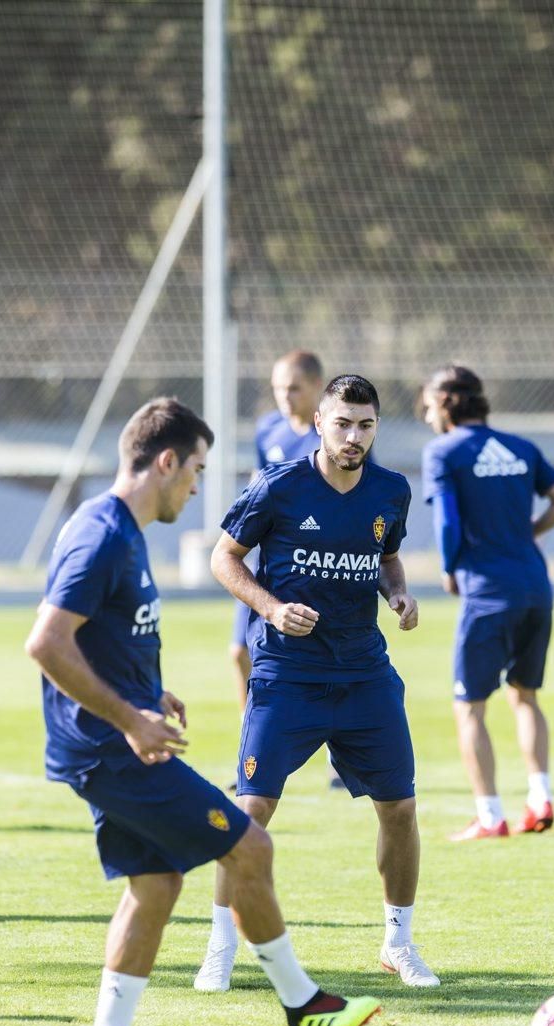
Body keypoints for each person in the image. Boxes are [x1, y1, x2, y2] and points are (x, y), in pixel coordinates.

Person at [24, 396, 381, 1026]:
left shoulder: (118, 529)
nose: (196, 485)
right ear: (164, 461)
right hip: (112, 749)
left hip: (108, 740)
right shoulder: (103, 533)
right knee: (249, 842)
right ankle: (304, 1004)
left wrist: (144, 690)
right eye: (194, 470)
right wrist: (130, 719)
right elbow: (46, 641)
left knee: (155, 883)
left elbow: (99, 631)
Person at [193, 374, 439, 993]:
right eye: (343, 425)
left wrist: (400, 594)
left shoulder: (390, 491)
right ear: (320, 424)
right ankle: (219, 946)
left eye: (366, 426)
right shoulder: (278, 487)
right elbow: (223, 558)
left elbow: (383, 556)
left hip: (364, 673)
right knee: (250, 810)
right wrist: (271, 609)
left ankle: (399, 943)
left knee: (401, 808)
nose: (354, 437)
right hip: (288, 675)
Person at [419, 365, 554, 840]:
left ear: (446, 403)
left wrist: (450, 569)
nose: (426, 415)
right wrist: (528, 534)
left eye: (428, 405)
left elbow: (447, 524)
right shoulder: (521, 447)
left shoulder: (443, 452)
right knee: (525, 696)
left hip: (487, 592)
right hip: (535, 584)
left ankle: (490, 816)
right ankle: (540, 796)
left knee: (469, 706)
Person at [228, 350, 346, 789]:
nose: (284, 396)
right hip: (268, 568)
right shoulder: (268, 430)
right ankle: (249, 748)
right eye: (278, 387)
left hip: (319, 568)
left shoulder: (335, 434)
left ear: (317, 388)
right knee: (239, 652)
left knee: (330, 657)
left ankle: (342, 755)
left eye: (293, 387)